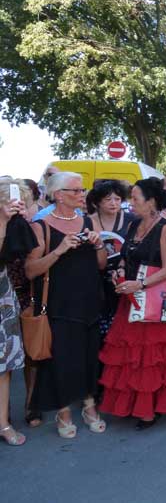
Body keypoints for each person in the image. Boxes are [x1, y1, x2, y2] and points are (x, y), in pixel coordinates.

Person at [99, 178, 166, 429]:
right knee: (133, 357)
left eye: (135, 198)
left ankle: (152, 408)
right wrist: (119, 272)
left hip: (155, 301)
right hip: (131, 299)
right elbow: (125, 257)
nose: (130, 203)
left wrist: (139, 285)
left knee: (153, 358)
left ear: (151, 201)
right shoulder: (133, 226)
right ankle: (136, 405)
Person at [25, 172, 108, 438]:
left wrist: (98, 245)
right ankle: (63, 411)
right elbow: (30, 270)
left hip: (89, 302)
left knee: (88, 356)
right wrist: (59, 250)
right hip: (58, 305)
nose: (82, 194)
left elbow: (102, 264)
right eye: (76, 190)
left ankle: (89, 405)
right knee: (62, 360)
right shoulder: (41, 226)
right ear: (59, 195)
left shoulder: (87, 221)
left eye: (82, 190)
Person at [0, 180, 33, 446]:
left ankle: (3, 424)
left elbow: (24, 251)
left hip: (5, 300)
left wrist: (20, 220)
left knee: (5, 368)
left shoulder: (14, 223)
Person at [86, 180, 135, 340]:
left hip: (123, 276)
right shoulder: (88, 221)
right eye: (108, 199)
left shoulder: (131, 220)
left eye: (117, 199)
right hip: (96, 278)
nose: (114, 203)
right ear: (97, 202)